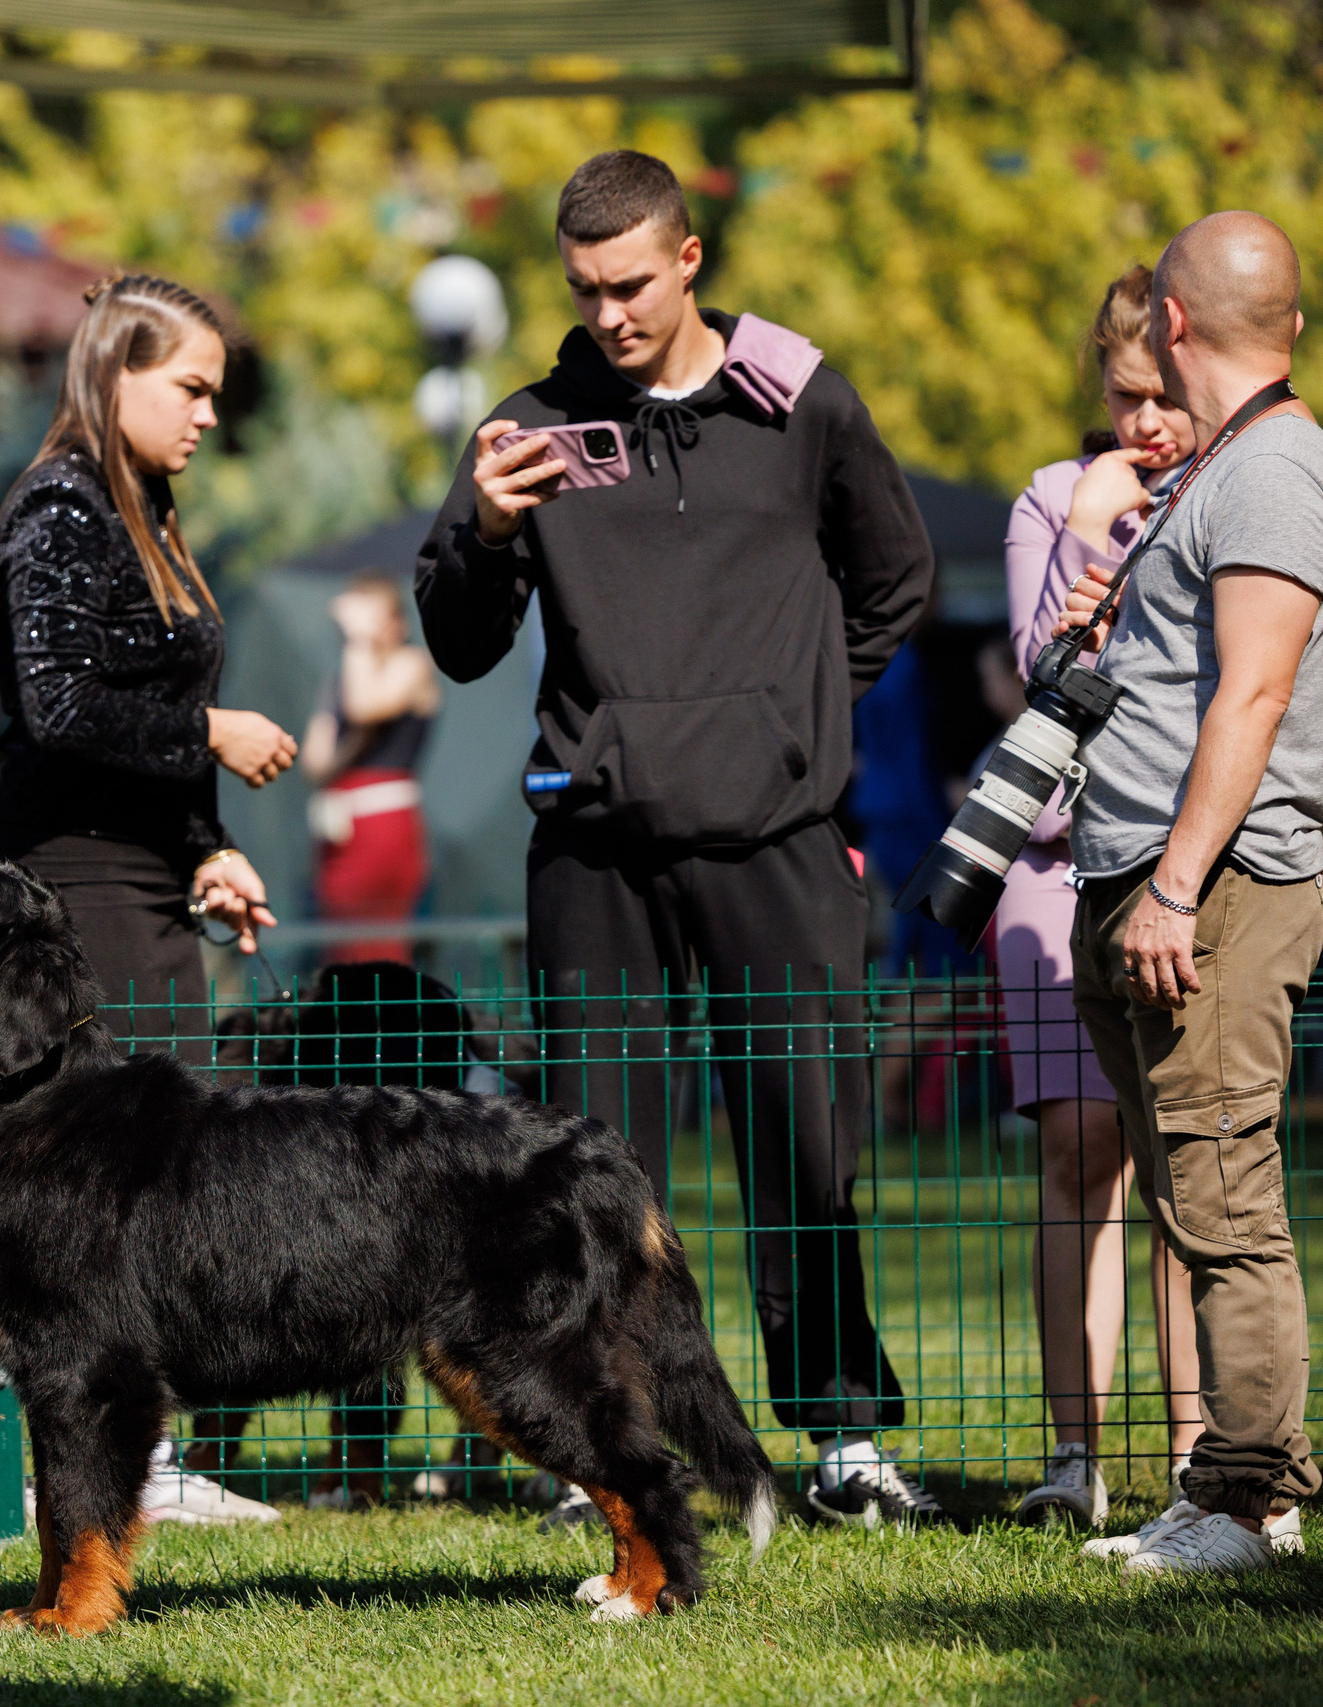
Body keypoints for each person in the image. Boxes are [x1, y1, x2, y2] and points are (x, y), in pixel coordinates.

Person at [414, 151, 945, 1528]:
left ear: (690, 258)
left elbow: (896, 578)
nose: (609, 313)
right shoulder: (529, 427)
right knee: (596, 1171)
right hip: (596, 847)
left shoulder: (800, 400)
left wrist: (798, 729)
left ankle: (842, 1438)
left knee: (808, 1147)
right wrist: (483, 527)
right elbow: (460, 645)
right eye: (585, 289)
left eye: (633, 284)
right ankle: (615, 1458)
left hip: (776, 831)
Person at [0, 273, 294, 1530]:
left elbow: (124, 738)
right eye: (188, 388)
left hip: (139, 882)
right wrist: (209, 728)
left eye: (215, 395)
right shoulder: (57, 511)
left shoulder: (140, 509)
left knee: (144, 1184)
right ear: (113, 372)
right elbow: (57, 713)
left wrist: (204, 849)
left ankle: (127, 1441)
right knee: (59, 1177)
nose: (206, 416)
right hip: (65, 888)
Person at [1054, 211, 1323, 1577]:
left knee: (1224, 1194)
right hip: (1144, 877)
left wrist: (1171, 882)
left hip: (1215, 886)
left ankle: (1252, 1506)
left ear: (1171, 318)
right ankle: (1229, 1477)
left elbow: (1258, 692)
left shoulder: (1276, 468)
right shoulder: (1214, 466)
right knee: (1184, 1186)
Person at [999, 265, 1204, 1531]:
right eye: (1126, 397)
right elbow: (1037, 675)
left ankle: (1200, 1455)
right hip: (1051, 854)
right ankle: (1072, 1458)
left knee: (1188, 1156)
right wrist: (1087, 532)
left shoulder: (1234, 492)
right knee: (1079, 1150)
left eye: (1166, 398)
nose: (1146, 424)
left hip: (1180, 853)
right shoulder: (1051, 499)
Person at [302, 572, 440, 964]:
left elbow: (367, 706)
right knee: (342, 949)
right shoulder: (339, 679)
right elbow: (316, 761)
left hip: (386, 827)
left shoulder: (412, 664)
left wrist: (358, 641)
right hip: (340, 831)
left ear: (399, 624)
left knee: (380, 948)